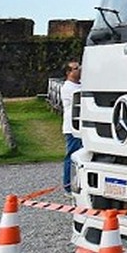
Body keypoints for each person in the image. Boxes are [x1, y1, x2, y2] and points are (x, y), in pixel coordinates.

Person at [60, 60, 82, 193]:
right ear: (68, 72)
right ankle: (68, 185)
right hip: (72, 127)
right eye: (76, 68)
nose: (79, 70)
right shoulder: (68, 88)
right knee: (71, 155)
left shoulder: (81, 84)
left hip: (82, 126)